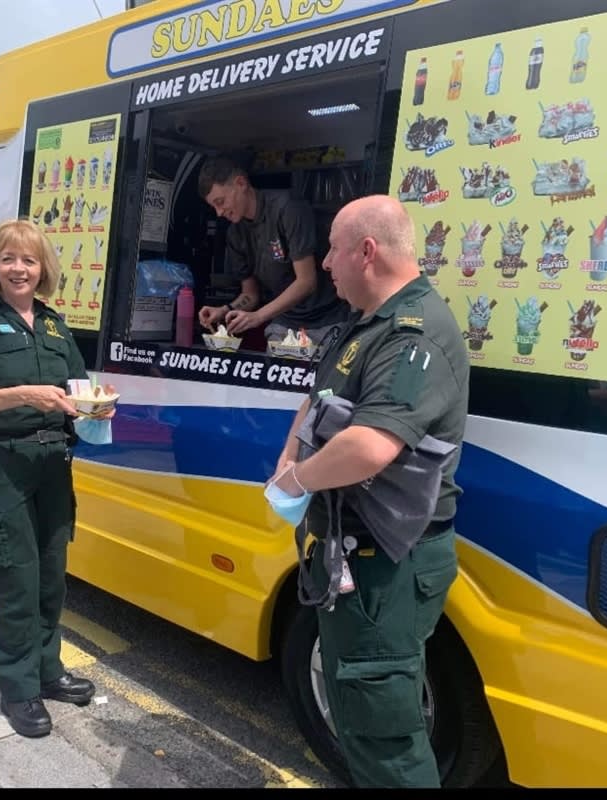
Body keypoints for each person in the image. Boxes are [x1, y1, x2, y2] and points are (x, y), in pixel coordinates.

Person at [268, 195, 470, 787]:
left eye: (332, 248)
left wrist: (297, 479)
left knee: (386, 736)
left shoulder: (416, 332)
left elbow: (371, 446)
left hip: (388, 565)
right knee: (355, 713)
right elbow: (319, 398)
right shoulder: (366, 320)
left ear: (366, 250)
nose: (324, 264)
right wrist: (289, 457)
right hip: (354, 557)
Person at [0, 218, 114, 738]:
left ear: (44, 269)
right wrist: (23, 394)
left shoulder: (55, 324)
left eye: (29, 260)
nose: (19, 268)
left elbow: (76, 390)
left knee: (50, 575)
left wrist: (93, 410)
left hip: (52, 465)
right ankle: (19, 689)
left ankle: (48, 670)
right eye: (9, 258)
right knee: (17, 579)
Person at [196, 156, 349, 345]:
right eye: (214, 207)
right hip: (285, 322)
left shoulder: (288, 208)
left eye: (220, 201)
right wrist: (224, 310)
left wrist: (258, 316)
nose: (219, 212)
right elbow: (251, 295)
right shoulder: (236, 233)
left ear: (241, 183)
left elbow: (307, 281)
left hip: (328, 320)